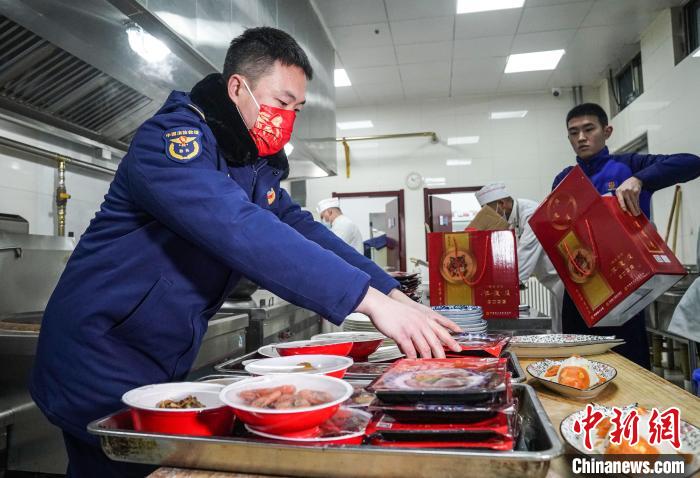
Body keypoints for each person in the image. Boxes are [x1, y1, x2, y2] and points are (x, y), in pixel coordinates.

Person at [30, 27, 461, 476]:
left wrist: (393, 294)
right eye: (280, 102)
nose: (287, 118)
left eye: (297, 108)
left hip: (152, 357)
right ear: (238, 87)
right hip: (96, 353)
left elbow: (302, 230)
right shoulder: (172, 141)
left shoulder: (249, 164)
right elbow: (239, 227)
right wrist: (366, 300)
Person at [554, 102, 700, 368]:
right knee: (576, 364)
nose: (581, 138)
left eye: (589, 129)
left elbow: (692, 163)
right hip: (580, 287)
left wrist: (641, 179)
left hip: (624, 286)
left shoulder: (629, 165)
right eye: (574, 133)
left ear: (607, 131)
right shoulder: (564, 179)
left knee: (627, 364)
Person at [475, 183, 564, 328]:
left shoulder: (530, 212)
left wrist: (504, 288)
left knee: (566, 322)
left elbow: (526, 251)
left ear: (501, 204)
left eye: (489, 211)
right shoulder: (510, 219)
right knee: (559, 323)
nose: (488, 217)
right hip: (550, 279)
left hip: (561, 278)